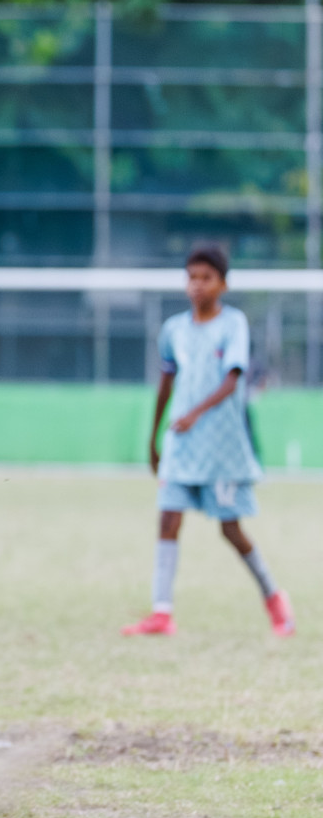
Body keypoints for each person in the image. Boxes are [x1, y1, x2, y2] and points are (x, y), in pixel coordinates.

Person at [121, 244, 293, 638]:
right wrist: (153, 436)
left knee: (230, 529)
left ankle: (274, 597)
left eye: (206, 278)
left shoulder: (233, 324)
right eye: (192, 277)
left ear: (223, 284)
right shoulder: (173, 330)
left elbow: (233, 380)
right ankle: (161, 613)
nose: (197, 285)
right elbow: (165, 383)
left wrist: (195, 413)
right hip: (181, 442)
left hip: (221, 445)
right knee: (168, 518)